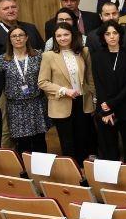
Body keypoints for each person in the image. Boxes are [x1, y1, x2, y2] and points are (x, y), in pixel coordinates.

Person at [39, 22, 96, 163]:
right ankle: (71, 171)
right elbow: (42, 82)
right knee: (67, 142)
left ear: (72, 35)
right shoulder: (48, 56)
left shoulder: (84, 52)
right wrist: (64, 90)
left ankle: (83, 169)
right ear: (54, 38)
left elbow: (90, 78)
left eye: (66, 34)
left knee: (83, 139)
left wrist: (94, 98)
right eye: (58, 36)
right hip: (61, 103)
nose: (62, 38)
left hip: (82, 102)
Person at [90, 21, 126, 163]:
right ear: (103, 37)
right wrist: (106, 108)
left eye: (115, 33)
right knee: (108, 149)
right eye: (108, 34)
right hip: (105, 108)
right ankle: (111, 175)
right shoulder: (96, 56)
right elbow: (98, 83)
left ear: (120, 35)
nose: (112, 37)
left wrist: (112, 103)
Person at [0, 25, 46, 153]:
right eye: (14, 36)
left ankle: (42, 165)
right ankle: (24, 165)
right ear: (10, 40)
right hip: (16, 106)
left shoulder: (38, 55)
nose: (18, 38)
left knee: (39, 140)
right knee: (22, 143)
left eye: (21, 35)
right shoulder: (2, 60)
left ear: (26, 38)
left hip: (36, 103)